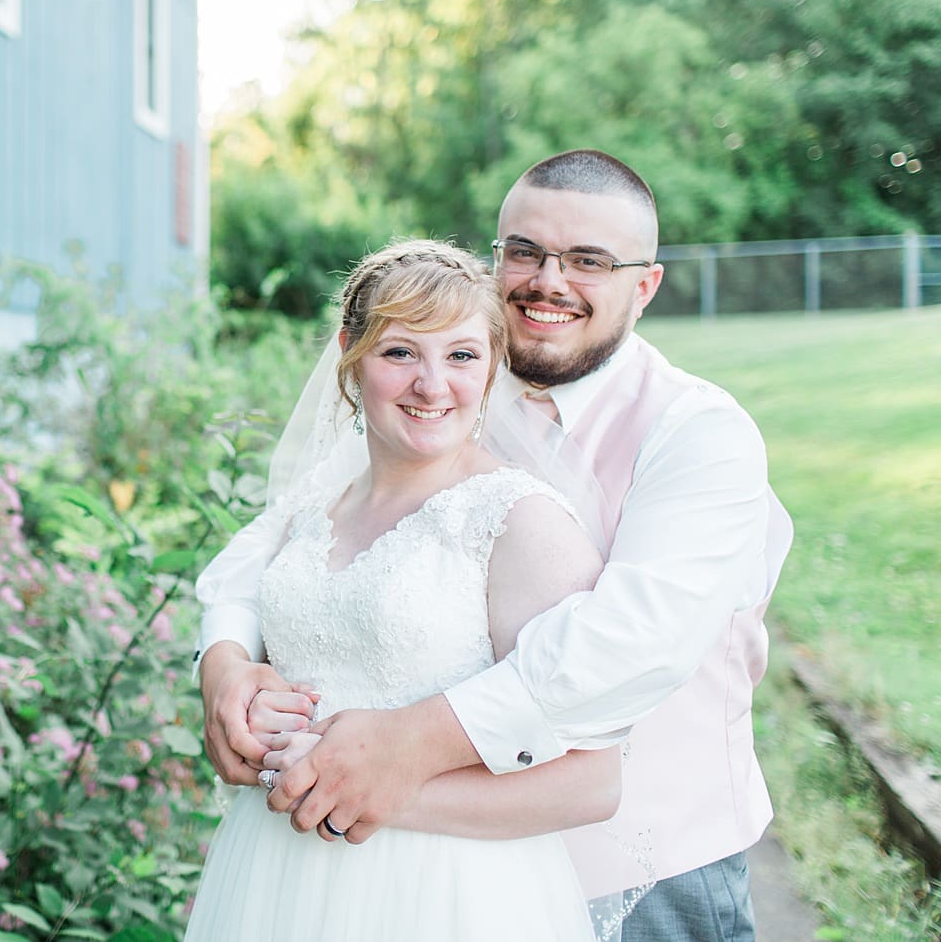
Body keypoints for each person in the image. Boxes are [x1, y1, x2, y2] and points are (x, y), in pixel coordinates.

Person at [197, 150, 792, 941]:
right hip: (385, 872)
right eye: (524, 252)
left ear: (644, 285)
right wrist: (225, 664)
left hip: (649, 868)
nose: (548, 280)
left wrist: (404, 746)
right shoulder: (446, 393)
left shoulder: (698, 435)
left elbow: (624, 645)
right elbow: (271, 543)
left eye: (588, 260)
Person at [184, 240, 622, 941]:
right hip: (273, 880)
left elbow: (591, 783)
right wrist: (227, 670)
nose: (431, 384)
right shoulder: (314, 501)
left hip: (443, 897)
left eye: (460, 355)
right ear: (348, 355)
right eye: (398, 353)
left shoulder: (518, 522)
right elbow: (229, 589)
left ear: (491, 367)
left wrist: (364, 786)